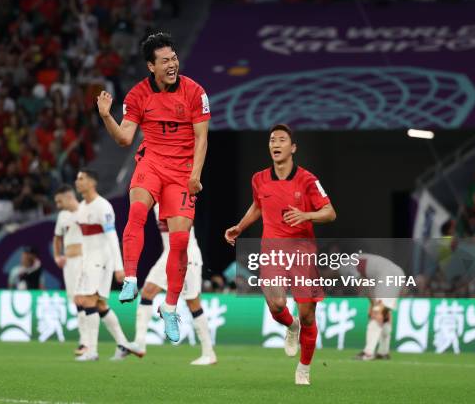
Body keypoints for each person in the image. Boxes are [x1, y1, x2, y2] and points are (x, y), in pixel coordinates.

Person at [96, 32, 210, 342]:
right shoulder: (136, 95)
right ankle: (130, 278)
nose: (172, 65)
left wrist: (195, 176)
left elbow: (202, 138)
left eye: (174, 58)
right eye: (165, 61)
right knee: (136, 211)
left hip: (182, 172)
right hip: (152, 163)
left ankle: (170, 308)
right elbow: (123, 138)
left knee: (181, 242)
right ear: (151, 66)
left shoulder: (195, 92)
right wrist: (106, 116)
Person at [224, 124, 336, 385]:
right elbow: (257, 206)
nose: (275, 143)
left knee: (308, 315)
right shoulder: (259, 179)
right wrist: (240, 227)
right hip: (272, 250)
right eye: (272, 139)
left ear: (293, 148)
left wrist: (307, 214)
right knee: (276, 305)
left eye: (282, 140)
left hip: (302, 252)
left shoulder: (308, 180)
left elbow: (330, 212)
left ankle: (304, 369)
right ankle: (290, 325)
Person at [131, 203, 216, 365]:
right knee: (147, 291)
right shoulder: (155, 205)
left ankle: (209, 352)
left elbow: (184, 231)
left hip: (186, 255)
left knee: (193, 302)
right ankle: (140, 342)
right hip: (168, 256)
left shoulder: (177, 198)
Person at [74, 169, 140, 361]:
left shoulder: (103, 206)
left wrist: (119, 267)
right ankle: (123, 344)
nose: (78, 182)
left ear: (92, 182)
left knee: (88, 301)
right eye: (77, 179)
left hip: (101, 259)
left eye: (82, 178)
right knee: (100, 304)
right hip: (88, 260)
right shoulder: (81, 207)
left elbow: (112, 238)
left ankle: (92, 351)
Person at [342, 253, 404, 361]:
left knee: (377, 313)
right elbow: (365, 283)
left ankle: (368, 353)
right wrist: (374, 304)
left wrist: (374, 306)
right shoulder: (355, 259)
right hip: (395, 273)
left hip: (388, 275)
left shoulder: (344, 265)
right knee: (384, 312)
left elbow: (361, 283)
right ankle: (383, 351)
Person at [53, 184, 84, 357]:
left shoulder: (85, 210)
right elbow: (57, 238)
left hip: (85, 260)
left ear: (68, 197)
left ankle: (86, 342)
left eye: (59, 201)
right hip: (69, 263)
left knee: (85, 300)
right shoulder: (63, 216)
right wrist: (58, 256)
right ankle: (85, 341)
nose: (58, 205)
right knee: (77, 302)